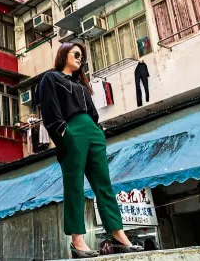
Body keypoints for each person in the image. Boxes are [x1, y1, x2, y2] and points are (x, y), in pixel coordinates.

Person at [38, 42, 144, 258]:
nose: (80, 58)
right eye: (76, 54)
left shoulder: (81, 83)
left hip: (93, 132)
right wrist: (64, 134)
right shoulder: (51, 78)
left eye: (82, 56)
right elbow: (49, 111)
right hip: (72, 131)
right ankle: (77, 240)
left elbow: (93, 112)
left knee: (104, 184)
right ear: (63, 54)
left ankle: (118, 235)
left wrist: (98, 132)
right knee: (74, 185)